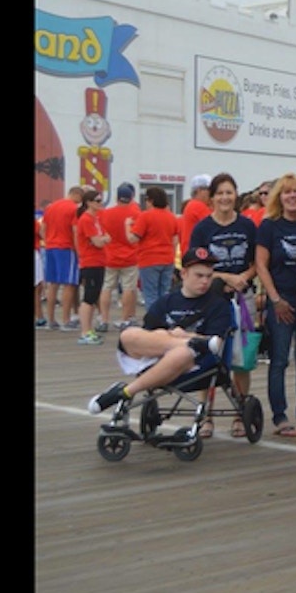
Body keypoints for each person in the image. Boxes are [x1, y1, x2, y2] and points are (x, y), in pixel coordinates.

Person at [86, 246, 232, 415]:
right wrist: (174, 337)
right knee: (129, 334)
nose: (205, 282)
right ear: (184, 274)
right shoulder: (166, 301)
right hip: (159, 355)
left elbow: (216, 342)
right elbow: (148, 334)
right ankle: (185, 342)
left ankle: (125, 392)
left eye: (209, 276)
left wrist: (184, 336)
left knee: (185, 352)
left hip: (196, 363)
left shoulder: (218, 304)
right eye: (199, 276)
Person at [189, 173, 259, 438]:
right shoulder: (203, 229)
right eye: (220, 193)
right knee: (208, 356)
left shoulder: (247, 226)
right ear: (212, 197)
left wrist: (242, 278)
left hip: (242, 297)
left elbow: (257, 263)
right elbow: (196, 265)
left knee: (241, 359)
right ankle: (205, 415)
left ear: (236, 195)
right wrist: (222, 277)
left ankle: (241, 413)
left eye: (229, 192)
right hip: (212, 297)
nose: (225, 198)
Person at [256, 172, 296, 437]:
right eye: (286, 192)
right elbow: (261, 265)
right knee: (279, 360)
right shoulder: (269, 226)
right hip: (280, 300)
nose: (291, 196)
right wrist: (275, 299)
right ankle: (279, 415)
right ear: (278, 197)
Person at [127, 186, 180, 313]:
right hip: (167, 259)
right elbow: (175, 240)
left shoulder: (145, 216)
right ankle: (164, 320)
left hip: (149, 259)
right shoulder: (172, 217)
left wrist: (127, 226)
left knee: (150, 294)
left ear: (150, 200)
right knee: (164, 293)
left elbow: (133, 239)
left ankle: (153, 322)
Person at [98, 182, 141, 331]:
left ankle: (104, 319)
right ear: (131, 197)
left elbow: (103, 232)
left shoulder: (106, 213)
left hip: (110, 256)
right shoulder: (136, 214)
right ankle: (124, 319)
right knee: (129, 288)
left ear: (117, 197)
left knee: (107, 287)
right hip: (130, 256)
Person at [41, 185, 84, 330]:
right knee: (69, 284)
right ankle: (66, 320)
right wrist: (80, 253)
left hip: (50, 247)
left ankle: (51, 320)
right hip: (66, 248)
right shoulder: (74, 209)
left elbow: (43, 229)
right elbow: (75, 232)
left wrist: (48, 241)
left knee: (52, 284)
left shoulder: (51, 207)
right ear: (77, 195)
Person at [75, 189, 111, 345]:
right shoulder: (86, 220)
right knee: (88, 298)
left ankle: (90, 329)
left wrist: (103, 239)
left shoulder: (95, 219)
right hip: (90, 261)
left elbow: (105, 238)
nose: (100, 203)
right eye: (97, 201)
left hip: (99, 261)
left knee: (94, 295)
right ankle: (85, 331)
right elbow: (98, 241)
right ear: (88, 202)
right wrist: (103, 239)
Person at [178, 173, 213, 266]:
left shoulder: (192, 205)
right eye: (209, 190)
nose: (212, 193)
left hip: (191, 253)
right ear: (198, 190)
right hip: (195, 255)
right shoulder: (197, 206)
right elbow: (215, 223)